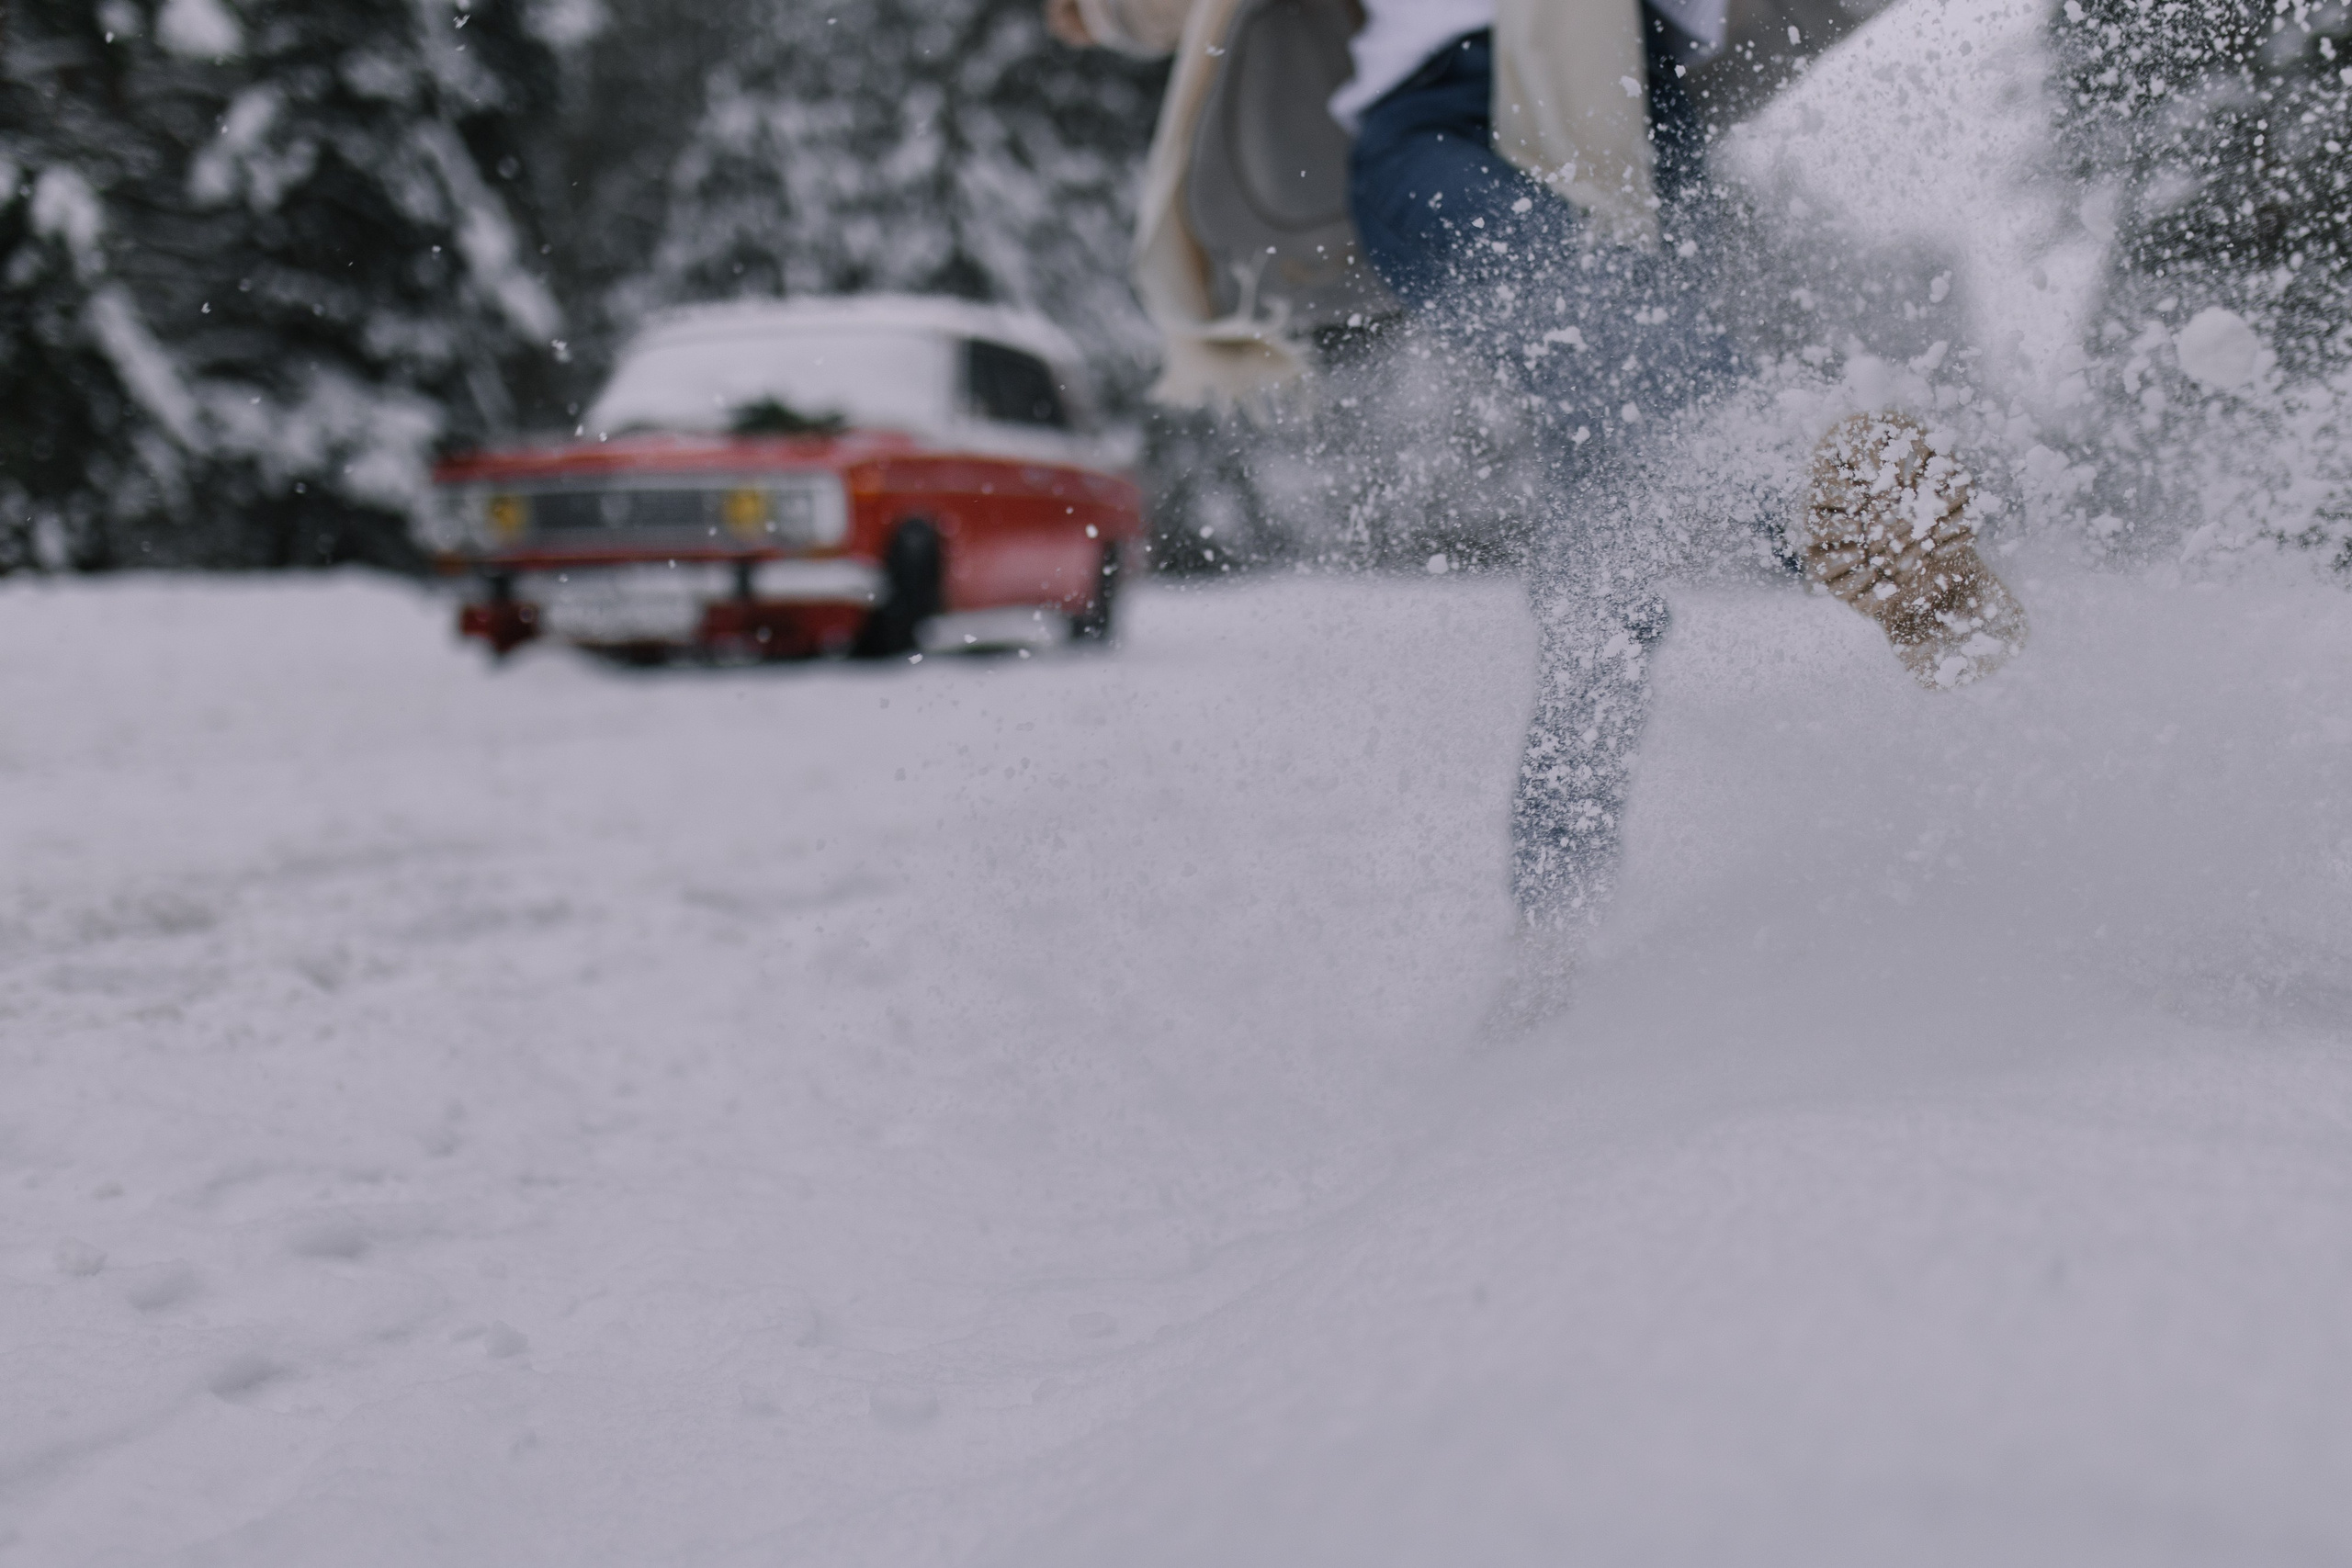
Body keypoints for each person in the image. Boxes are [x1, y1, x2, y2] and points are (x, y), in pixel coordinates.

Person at [1050, 0, 2029, 1012]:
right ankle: (1813, 498)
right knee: (1608, 357)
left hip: (1627, 121)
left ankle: (1552, 933)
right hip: (1438, 118)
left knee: (1602, 574)